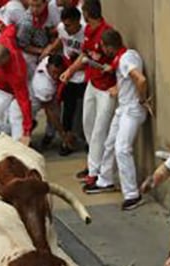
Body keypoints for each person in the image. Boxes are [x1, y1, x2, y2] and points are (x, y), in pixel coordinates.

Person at [91, 29, 149, 211]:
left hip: (131, 109)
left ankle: (132, 194)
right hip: (124, 108)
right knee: (110, 143)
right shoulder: (127, 56)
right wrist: (119, 88)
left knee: (122, 149)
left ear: (109, 47)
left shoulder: (125, 60)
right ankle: (105, 180)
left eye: (103, 48)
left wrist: (142, 99)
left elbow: (140, 80)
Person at [58, 0, 113, 187]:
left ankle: (96, 173)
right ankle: (92, 165)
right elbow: (85, 56)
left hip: (106, 90)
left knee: (99, 131)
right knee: (88, 124)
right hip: (93, 83)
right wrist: (70, 71)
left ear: (87, 13)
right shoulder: (89, 31)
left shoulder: (107, 33)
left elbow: (117, 60)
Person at [51, 5, 85, 155]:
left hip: (84, 76)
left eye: (69, 25)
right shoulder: (61, 28)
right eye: (65, 25)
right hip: (69, 75)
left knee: (86, 111)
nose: (67, 28)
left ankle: (87, 141)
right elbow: (60, 39)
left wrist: (77, 61)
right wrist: (49, 49)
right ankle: (67, 141)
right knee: (68, 110)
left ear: (78, 21)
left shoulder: (86, 32)